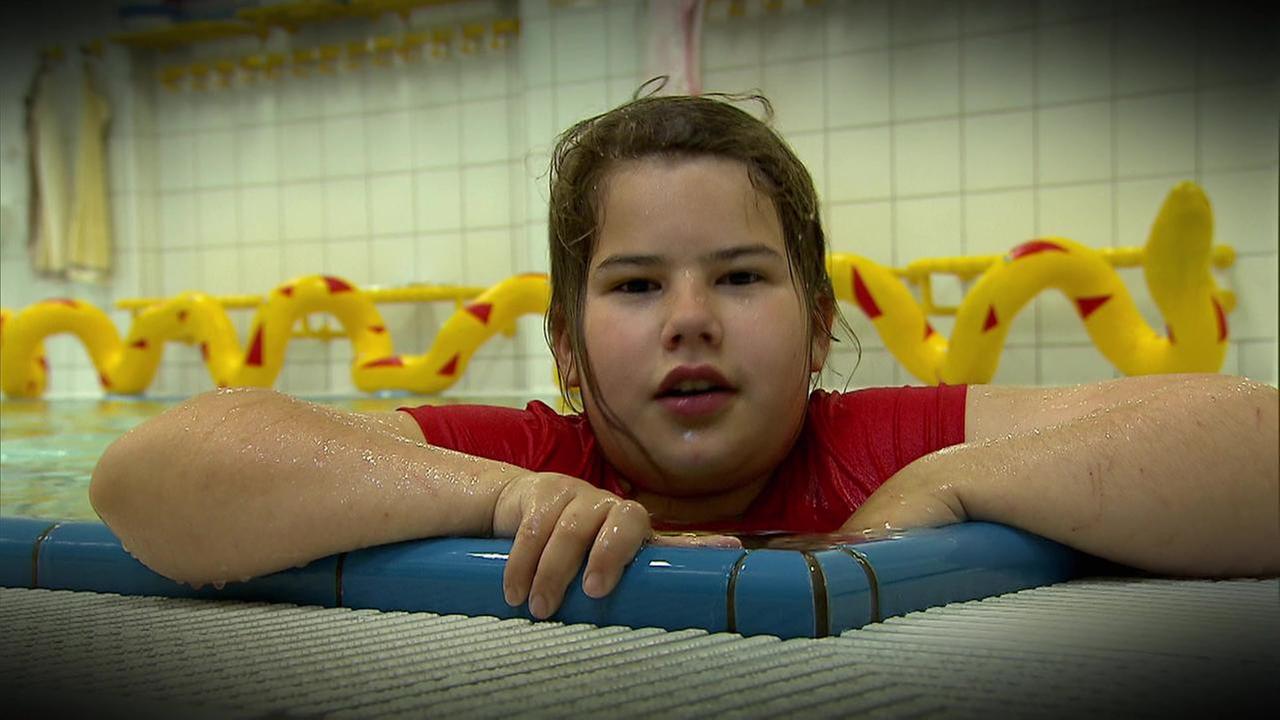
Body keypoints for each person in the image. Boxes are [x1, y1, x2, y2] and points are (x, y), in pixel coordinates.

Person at [90, 92, 1279, 622]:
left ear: (820, 328)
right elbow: (149, 476)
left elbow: (1251, 437)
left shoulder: (879, 443)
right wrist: (500, 501)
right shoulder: (531, 463)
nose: (690, 318)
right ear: (565, 351)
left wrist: (945, 485)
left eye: (742, 276)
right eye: (635, 284)